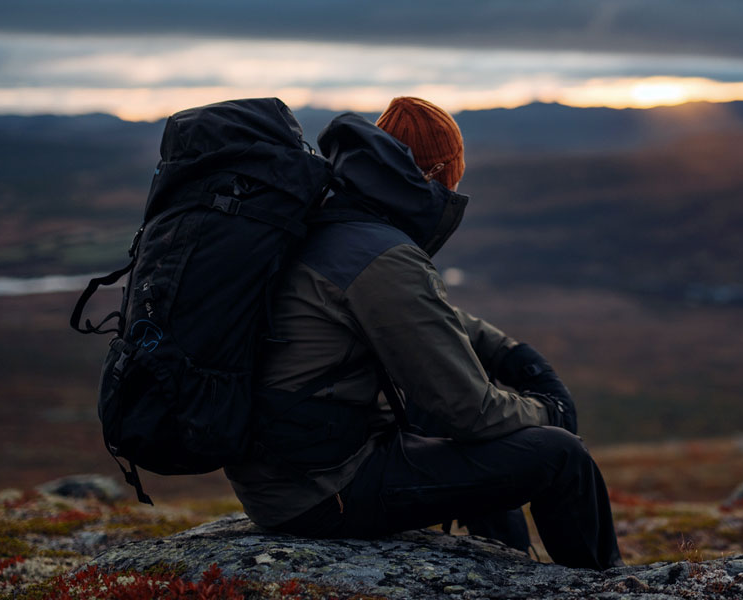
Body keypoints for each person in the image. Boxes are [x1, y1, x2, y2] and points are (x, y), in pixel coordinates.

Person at [224, 97, 622, 570]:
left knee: (475, 440)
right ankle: (601, 584)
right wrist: (548, 410)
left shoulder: (333, 220)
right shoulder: (380, 254)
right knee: (560, 457)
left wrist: (513, 354)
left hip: (286, 474)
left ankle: (506, 567)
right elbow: (469, 412)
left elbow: (423, 316)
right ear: (436, 174)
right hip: (321, 491)